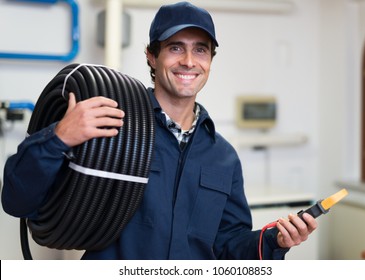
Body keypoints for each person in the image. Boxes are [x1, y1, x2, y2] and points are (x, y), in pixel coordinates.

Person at [1, 1, 317, 260]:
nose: (189, 61)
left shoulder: (223, 156)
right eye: (176, 48)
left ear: (210, 61)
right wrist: (59, 138)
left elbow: (226, 247)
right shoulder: (107, 125)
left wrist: (274, 241)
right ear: (152, 56)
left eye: (201, 50)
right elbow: (17, 201)